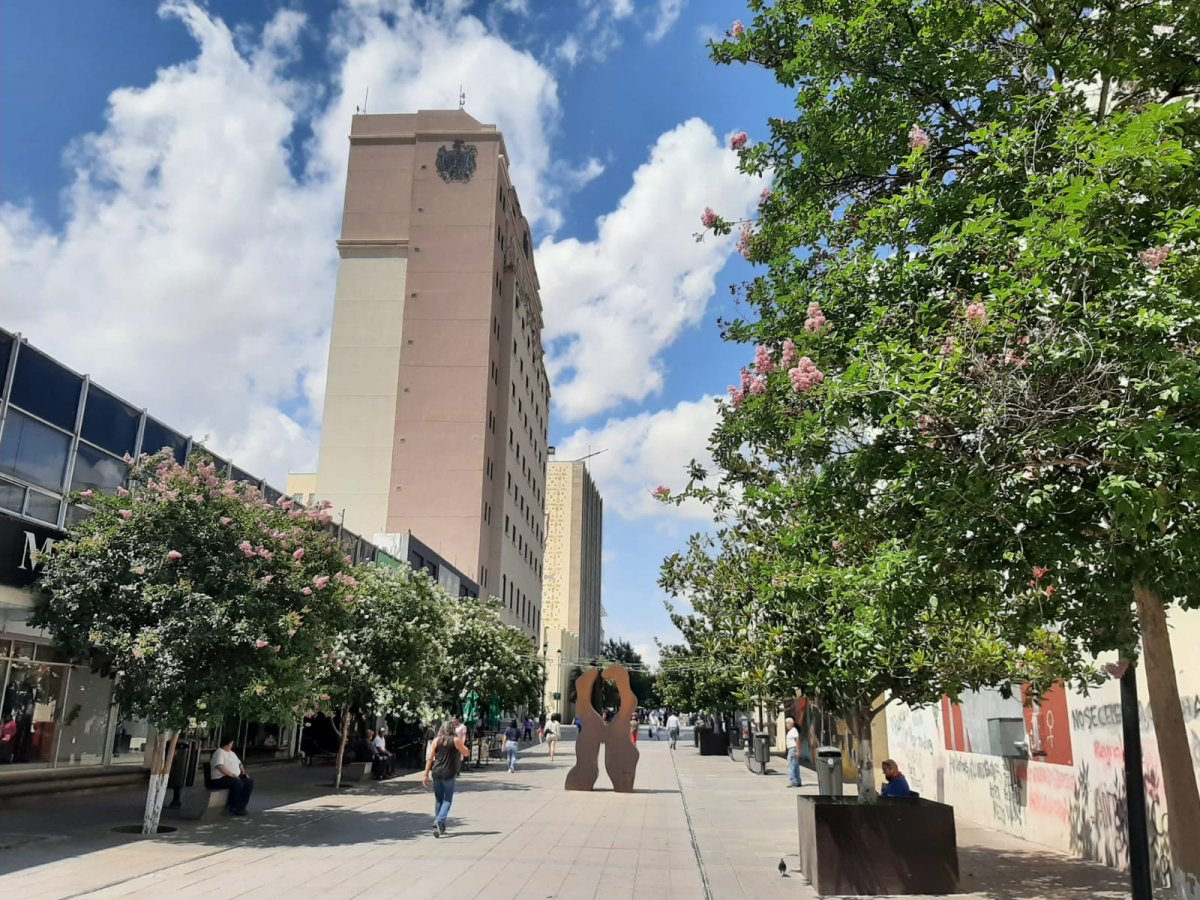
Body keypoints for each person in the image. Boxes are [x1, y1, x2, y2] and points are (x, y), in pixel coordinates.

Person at [424, 720, 470, 836]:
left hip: (436, 772)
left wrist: (426, 774)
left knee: (438, 799)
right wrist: (465, 748)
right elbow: (466, 753)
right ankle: (439, 821)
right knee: (447, 800)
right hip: (449, 773)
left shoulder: (436, 740)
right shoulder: (455, 740)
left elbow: (430, 758)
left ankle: (440, 827)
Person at [210, 737, 254, 816]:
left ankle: (242, 806)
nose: (231, 746)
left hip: (233, 776)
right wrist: (231, 775)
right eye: (231, 744)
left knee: (249, 782)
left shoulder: (232, 753)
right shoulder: (219, 752)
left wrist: (243, 772)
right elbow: (219, 766)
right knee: (237, 783)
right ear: (227, 744)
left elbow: (239, 763)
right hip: (220, 778)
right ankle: (234, 806)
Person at [785, 716, 802, 787]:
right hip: (792, 749)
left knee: (791, 765)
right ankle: (798, 781)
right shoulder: (791, 731)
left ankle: (793, 781)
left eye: (787, 723)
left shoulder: (794, 730)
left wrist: (798, 750)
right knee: (795, 765)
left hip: (793, 749)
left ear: (791, 723)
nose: (786, 725)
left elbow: (797, 740)